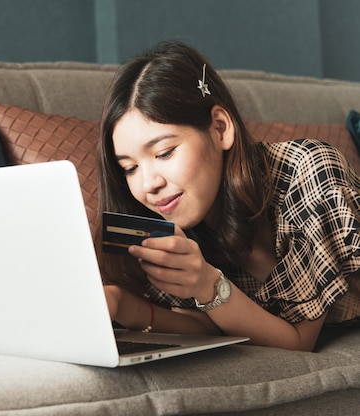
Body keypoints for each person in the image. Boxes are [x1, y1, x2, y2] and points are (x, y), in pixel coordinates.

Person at [97, 40, 360, 351]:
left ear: (220, 129)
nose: (147, 184)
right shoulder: (176, 219)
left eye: (164, 153)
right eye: (129, 168)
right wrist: (120, 304)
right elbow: (208, 325)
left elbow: (297, 343)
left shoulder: (308, 171)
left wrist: (208, 285)